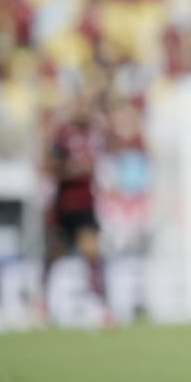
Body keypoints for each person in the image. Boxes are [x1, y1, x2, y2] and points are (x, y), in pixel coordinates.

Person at [42, 93, 111, 325]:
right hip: (64, 202)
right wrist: (74, 170)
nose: (84, 110)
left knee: (91, 252)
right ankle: (42, 303)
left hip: (86, 203)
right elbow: (49, 166)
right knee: (55, 253)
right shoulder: (63, 135)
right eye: (80, 105)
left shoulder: (96, 133)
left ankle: (98, 306)